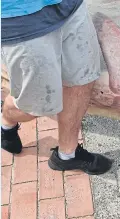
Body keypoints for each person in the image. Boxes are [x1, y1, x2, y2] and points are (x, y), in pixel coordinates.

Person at [1, 0, 111, 174]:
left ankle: (67, 154)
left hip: (71, 7)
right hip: (21, 18)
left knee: (82, 79)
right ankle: (7, 120)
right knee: (36, 106)